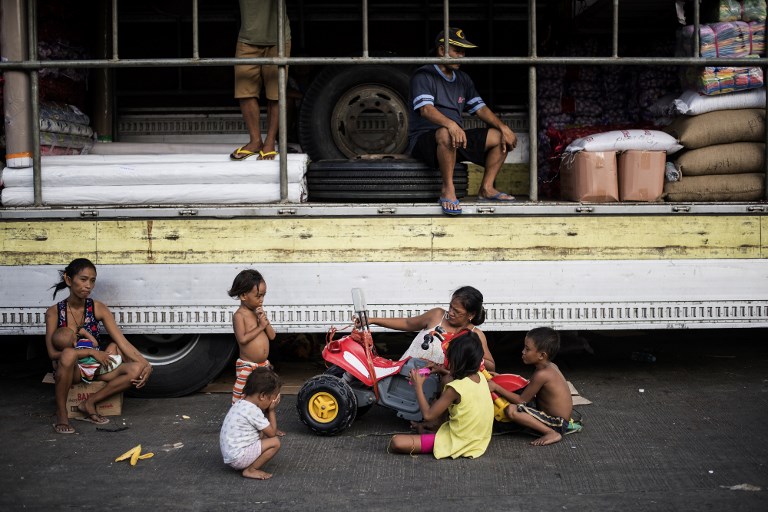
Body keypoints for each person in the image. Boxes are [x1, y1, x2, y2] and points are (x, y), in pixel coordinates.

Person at [408, 27, 518, 215]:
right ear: (442, 50)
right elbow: (426, 110)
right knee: (446, 132)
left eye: (463, 51)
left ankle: (486, 188)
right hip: (425, 141)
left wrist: (503, 127)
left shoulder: (463, 79)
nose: (462, 55)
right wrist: (451, 124)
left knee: (501, 137)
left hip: (455, 139)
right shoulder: (424, 75)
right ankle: (448, 189)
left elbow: (480, 108)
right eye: (457, 50)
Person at [45, 258, 152, 434]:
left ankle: (89, 403)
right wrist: (90, 352)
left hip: (95, 368)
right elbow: (51, 353)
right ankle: (62, 414)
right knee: (68, 355)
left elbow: (121, 342)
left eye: (92, 281)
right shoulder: (54, 312)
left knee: (136, 369)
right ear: (69, 280)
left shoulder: (98, 308)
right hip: (72, 371)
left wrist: (147, 364)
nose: (88, 285)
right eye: (83, 279)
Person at [388, 332, 494, 458]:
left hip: (458, 442)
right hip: (478, 440)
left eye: (449, 359)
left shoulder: (455, 389)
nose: (447, 362)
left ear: (457, 360)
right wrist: (440, 370)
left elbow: (428, 415)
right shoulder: (480, 377)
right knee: (448, 378)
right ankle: (429, 430)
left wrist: (418, 386)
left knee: (396, 442)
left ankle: (430, 433)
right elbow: (454, 375)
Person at [364, 285, 495, 373]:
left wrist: (469, 356)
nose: (450, 312)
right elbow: (408, 323)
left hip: (438, 389)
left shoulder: (474, 335)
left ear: (471, 315)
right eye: (450, 307)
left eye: (457, 311)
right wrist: (373, 320)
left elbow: (491, 366)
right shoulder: (437, 315)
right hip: (405, 374)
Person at [488, 326, 578, 446]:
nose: (523, 352)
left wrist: (496, 387)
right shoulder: (550, 367)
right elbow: (529, 386)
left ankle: (551, 433)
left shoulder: (542, 374)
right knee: (518, 393)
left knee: (512, 410)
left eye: (527, 349)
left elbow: (522, 401)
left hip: (557, 423)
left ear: (542, 355)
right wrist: (501, 378)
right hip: (557, 418)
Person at [229, 0, 291, 161]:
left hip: (279, 38)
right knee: (244, 91)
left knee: (276, 94)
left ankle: (270, 142)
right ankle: (255, 141)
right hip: (247, 38)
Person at [219, 367, 282, 480]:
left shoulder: (241, 404)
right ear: (262, 396)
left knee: (262, 433)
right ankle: (251, 469)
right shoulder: (253, 411)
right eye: (272, 398)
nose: (273, 402)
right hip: (238, 458)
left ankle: (247, 464)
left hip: (231, 455)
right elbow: (272, 433)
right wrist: (271, 410)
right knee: (275, 442)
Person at [228, 269, 277, 405]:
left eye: (263, 295)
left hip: (263, 365)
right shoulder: (239, 316)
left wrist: (264, 321)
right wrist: (260, 327)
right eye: (258, 296)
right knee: (242, 395)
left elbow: (272, 336)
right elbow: (242, 339)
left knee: (264, 395)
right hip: (247, 367)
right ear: (244, 296)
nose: (261, 300)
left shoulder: (258, 313)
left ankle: (260, 420)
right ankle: (238, 419)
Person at [51, 326, 122, 384]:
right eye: (74, 334)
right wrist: (85, 333)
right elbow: (95, 344)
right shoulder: (82, 343)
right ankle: (110, 365)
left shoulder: (63, 357)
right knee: (113, 345)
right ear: (74, 343)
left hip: (86, 373)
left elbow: (55, 366)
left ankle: (101, 372)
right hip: (98, 365)